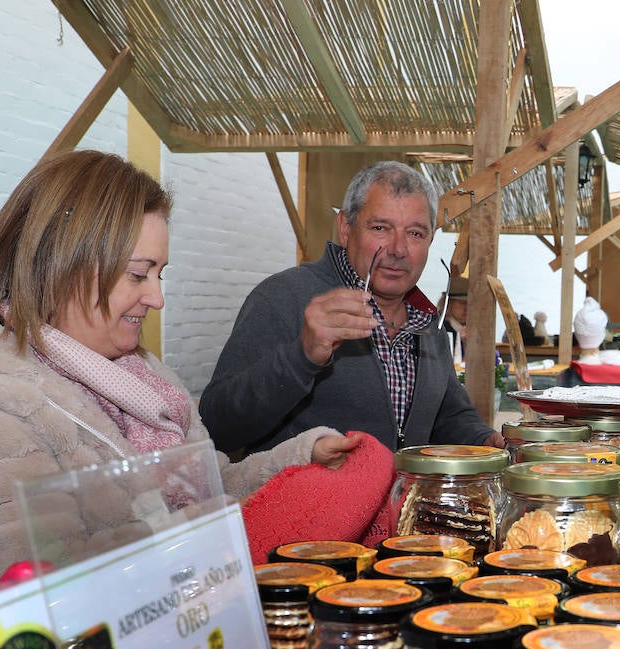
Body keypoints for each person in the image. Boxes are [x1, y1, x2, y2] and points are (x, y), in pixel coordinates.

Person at [0, 150, 358, 611]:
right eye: (137, 274)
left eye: (160, 275)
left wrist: (298, 460)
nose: (156, 298)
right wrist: (218, 528)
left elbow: (209, 483)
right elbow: (37, 590)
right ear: (60, 265)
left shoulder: (142, 376)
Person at [199, 161, 503, 454]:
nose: (398, 250)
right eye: (381, 228)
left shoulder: (426, 320)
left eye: (415, 233)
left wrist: (485, 441)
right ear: (345, 228)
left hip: (403, 504)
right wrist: (300, 357)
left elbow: (446, 414)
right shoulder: (283, 298)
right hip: (303, 506)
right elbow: (217, 427)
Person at [440, 272, 469, 363]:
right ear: (449, 303)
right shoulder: (438, 327)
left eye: (471, 303)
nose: (467, 308)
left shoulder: (475, 329)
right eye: (463, 303)